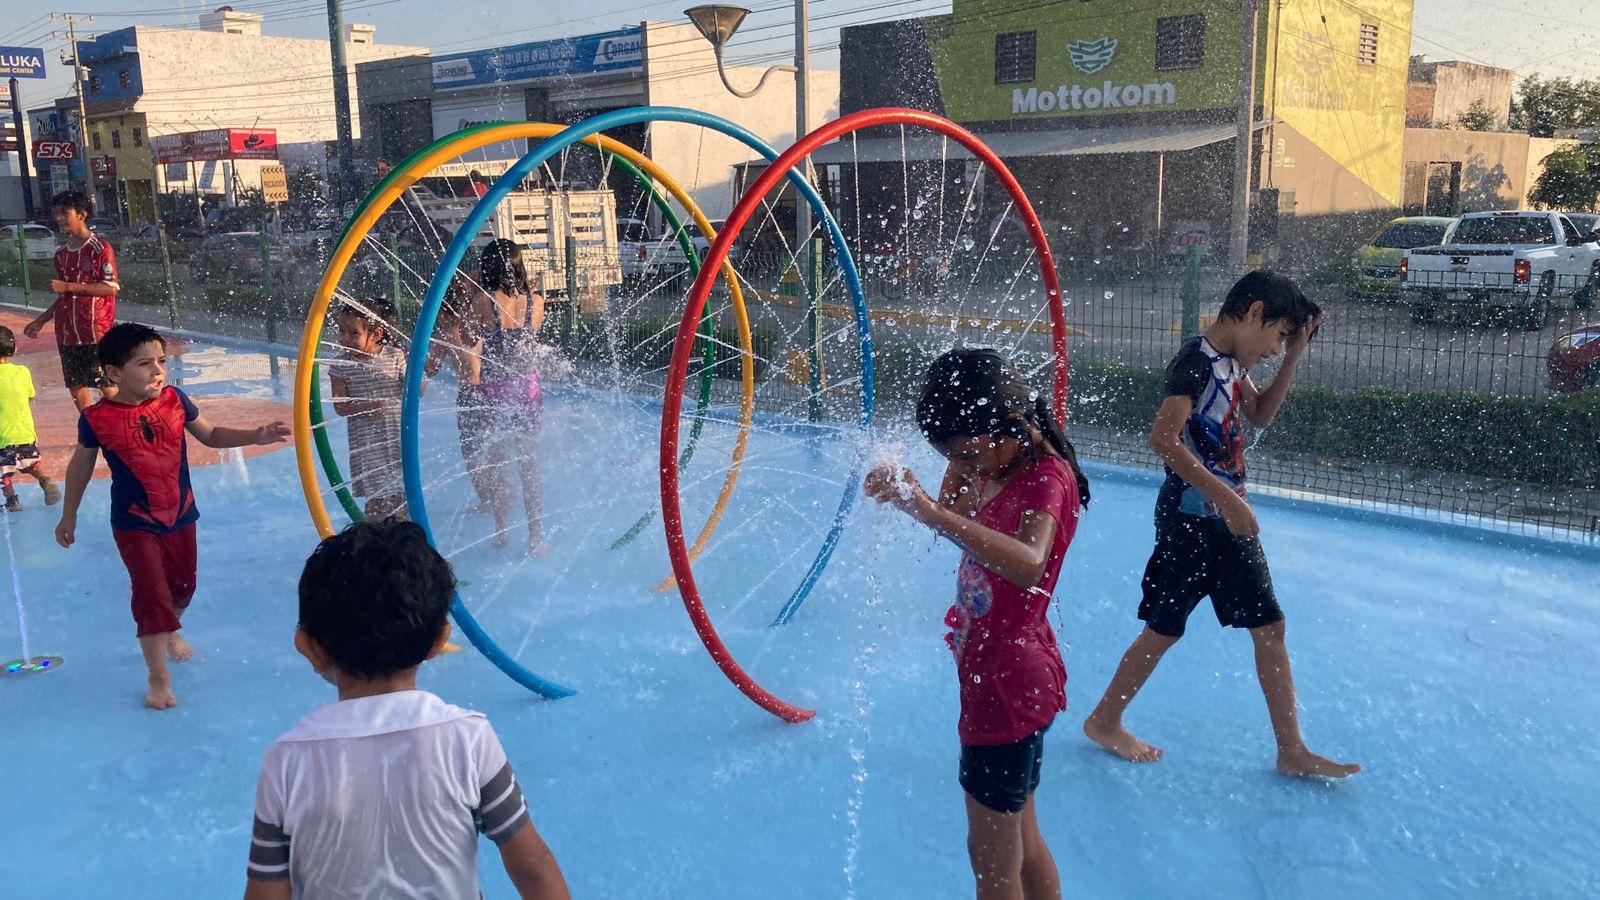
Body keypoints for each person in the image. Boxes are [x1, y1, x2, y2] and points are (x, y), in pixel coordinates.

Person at [1082, 270, 1360, 779]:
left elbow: (1260, 415)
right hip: (1191, 520)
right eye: (1278, 335)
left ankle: (1291, 750)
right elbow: (1163, 440)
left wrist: (1296, 355)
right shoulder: (1196, 362)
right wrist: (1226, 498)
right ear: (1254, 313)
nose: (1277, 347)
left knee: (1270, 627)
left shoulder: (1231, 363)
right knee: (1163, 629)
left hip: (1225, 519)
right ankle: (1104, 720)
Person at [864, 348, 1092, 900]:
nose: (964, 466)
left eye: (968, 453)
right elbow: (961, 514)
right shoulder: (1000, 460)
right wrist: (924, 491)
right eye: (952, 456)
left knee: (991, 862)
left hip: (1007, 687)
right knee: (1021, 836)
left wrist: (929, 512)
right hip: (1005, 678)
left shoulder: (1046, 480)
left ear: (1009, 426)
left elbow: (1029, 559)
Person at [244, 519, 570, 900]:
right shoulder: (468, 739)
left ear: (309, 649)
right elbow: (534, 870)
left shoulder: (286, 761)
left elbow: (266, 895)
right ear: (438, 641)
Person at [54, 323, 290, 709]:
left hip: (180, 514)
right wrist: (69, 515)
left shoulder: (176, 401)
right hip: (134, 520)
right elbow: (80, 467)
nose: (158, 370)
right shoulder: (97, 419)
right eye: (144, 363)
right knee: (151, 596)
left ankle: (171, 626)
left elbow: (210, 435)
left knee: (183, 588)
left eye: (161, 361)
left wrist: (255, 435)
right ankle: (158, 678)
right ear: (114, 373)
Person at [471, 239, 547, 553]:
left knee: (497, 464)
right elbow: (531, 336)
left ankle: (502, 531)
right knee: (529, 465)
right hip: (527, 388)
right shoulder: (537, 302)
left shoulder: (482, 301)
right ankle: (536, 537)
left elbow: (473, 336)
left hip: (494, 389)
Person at [23, 190, 119, 411]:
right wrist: (41, 320)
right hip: (67, 335)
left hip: (96, 333)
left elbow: (110, 289)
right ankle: (92, 434)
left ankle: (126, 431)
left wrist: (67, 286)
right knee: (77, 388)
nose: (58, 218)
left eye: (65, 213)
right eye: (56, 213)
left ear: (82, 215)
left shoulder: (100, 249)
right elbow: (65, 297)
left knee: (106, 385)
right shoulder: (61, 254)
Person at [329, 296, 407, 521]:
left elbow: (415, 391)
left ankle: (401, 546)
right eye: (341, 331)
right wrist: (368, 406)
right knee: (378, 504)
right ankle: (376, 545)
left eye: (354, 333)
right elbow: (341, 407)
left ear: (375, 334)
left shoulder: (395, 357)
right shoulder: (340, 365)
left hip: (396, 439)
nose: (345, 338)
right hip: (368, 444)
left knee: (401, 499)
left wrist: (417, 373)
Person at [0, 325, 62, 511]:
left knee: (3, 474)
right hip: (25, 433)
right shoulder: (23, 372)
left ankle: (12, 500)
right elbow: (30, 397)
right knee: (30, 463)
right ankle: (45, 480)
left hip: (2, 437)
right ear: (15, 348)